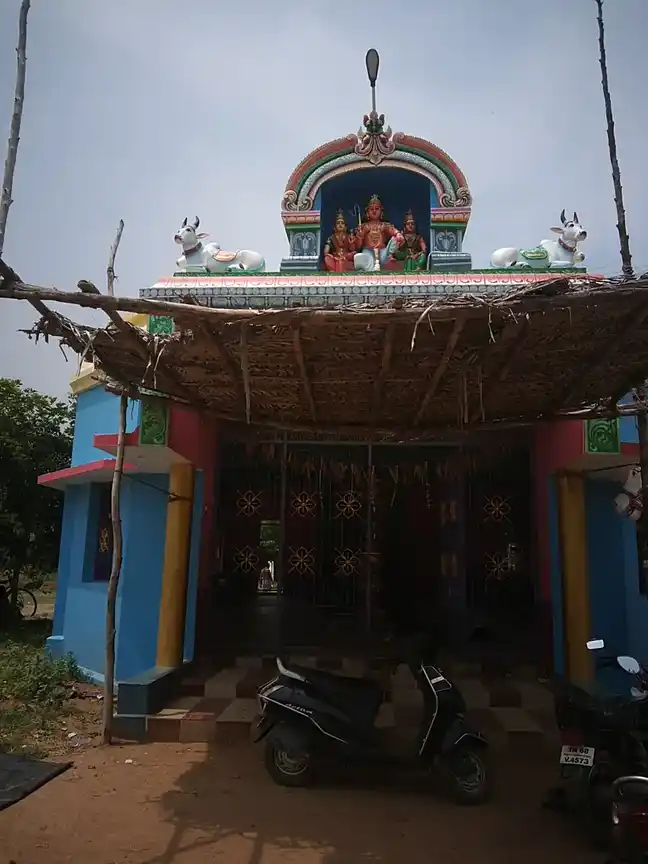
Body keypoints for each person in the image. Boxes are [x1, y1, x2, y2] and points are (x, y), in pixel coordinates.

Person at [349, 195, 404, 272]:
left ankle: (390, 256)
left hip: (383, 252)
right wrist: (360, 236)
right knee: (359, 257)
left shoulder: (384, 225)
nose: (374, 211)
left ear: (381, 212)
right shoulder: (364, 226)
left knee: (396, 238)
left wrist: (398, 235)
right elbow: (358, 247)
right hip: (368, 252)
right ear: (367, 213)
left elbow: (394, 232)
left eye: (377, 209)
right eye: (371, 209)